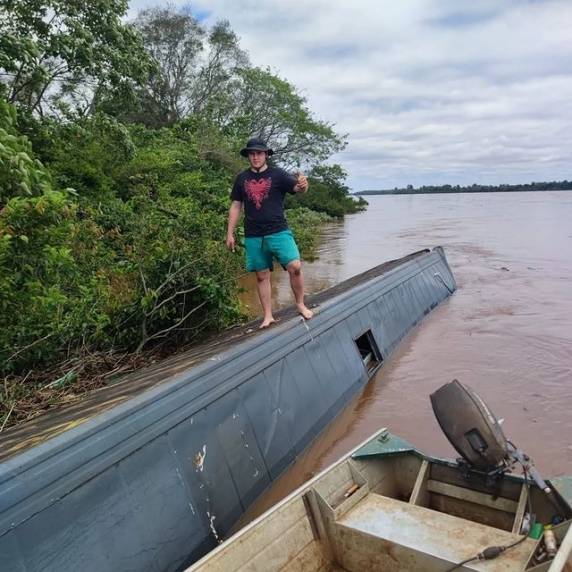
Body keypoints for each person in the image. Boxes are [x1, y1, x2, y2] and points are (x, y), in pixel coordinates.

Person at [226, 137, 314, 328]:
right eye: (252, 154)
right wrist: (230, 233)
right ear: (248, 156)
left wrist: (303, 185)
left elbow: (297, 188)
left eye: (259, 153)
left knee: (295, 266)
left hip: (278, 231)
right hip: (253, 234)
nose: (255, 157)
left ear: (266, 154)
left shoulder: (278, 175)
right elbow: (236, 205)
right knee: (261, 275)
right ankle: (268, 315)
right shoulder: (242, 178)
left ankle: (300, 304)